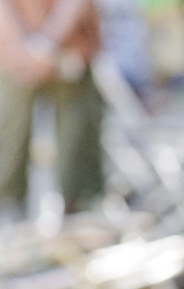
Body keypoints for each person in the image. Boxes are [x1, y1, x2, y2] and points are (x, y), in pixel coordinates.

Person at [0, 0, 104, 216]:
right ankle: (8, 208)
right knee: (10, 136)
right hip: (16, 53)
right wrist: (27, 45)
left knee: (77, 140)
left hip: (71, 49)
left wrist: (46, 44)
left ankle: (79, 212)